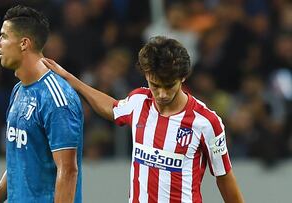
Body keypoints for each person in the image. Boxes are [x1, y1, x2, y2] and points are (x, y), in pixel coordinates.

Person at [42, 36, 244, 203]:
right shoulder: (139, 101)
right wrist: (70, 78)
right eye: (155, 85)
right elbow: (112, 108)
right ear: (146, 75)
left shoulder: (206, 122)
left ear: (183, 77)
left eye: (169, 86)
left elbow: (224, 178)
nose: (162, 94)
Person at [0, 5, 84, 203]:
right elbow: (21, 158)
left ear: (24, 43)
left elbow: (68, 171)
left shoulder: (57, 98)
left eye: (3, 36)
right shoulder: (18, 91)